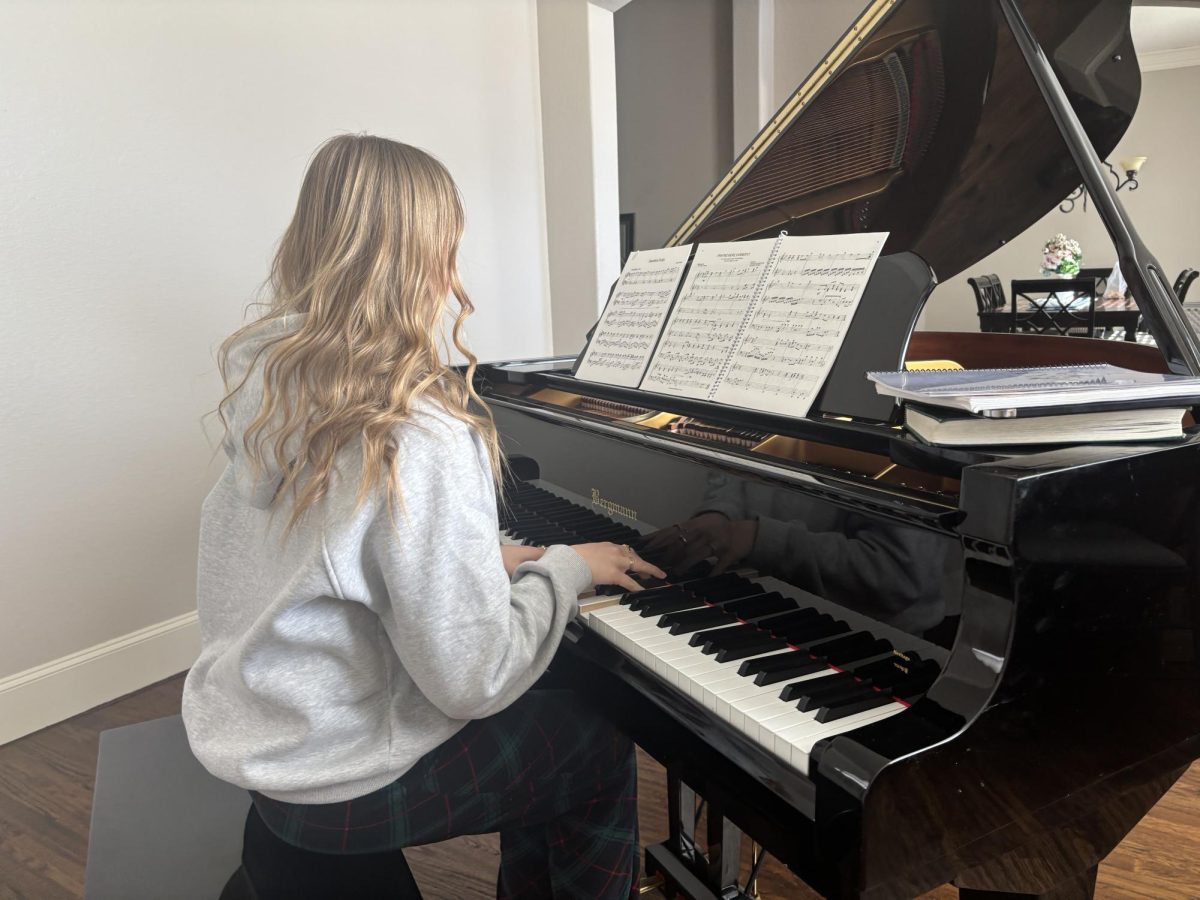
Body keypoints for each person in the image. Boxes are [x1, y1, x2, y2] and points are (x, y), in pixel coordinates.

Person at [181, 134, 663, 899]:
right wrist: (566, 568)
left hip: (264, 732)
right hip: (335, 775)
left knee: (548, 708)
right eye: (448, 251)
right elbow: (470, 682)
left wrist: (493, 561)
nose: (454, 277)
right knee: (596, 747)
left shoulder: (275, 386)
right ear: (420, 263)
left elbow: (335, 554)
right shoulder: (419, 430)